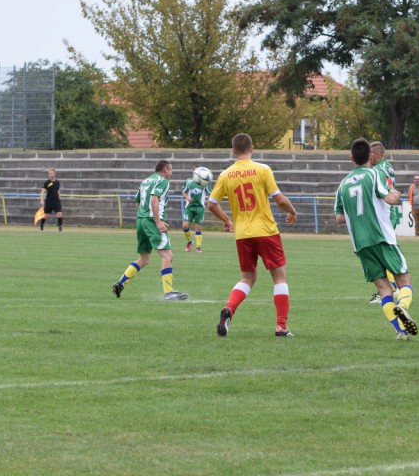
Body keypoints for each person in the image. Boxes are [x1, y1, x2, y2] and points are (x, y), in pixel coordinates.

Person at [206, 133, 299, 337]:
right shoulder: (262, 169)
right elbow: (279, 199)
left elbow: (211, 204)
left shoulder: (226, 175)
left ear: (233, 150)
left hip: (243, 234)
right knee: (279, 278)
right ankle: (281, 326)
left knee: (247, 277)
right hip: (266, 231)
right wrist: (292, 211)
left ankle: (229, 309)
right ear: (252, 148)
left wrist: (227, 220)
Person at [335, 138, 418, 340]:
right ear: (369, 158)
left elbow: (338, 218)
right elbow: (389, 198)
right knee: (404, 280)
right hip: (382, 237)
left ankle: (401, 332)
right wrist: (396, 194)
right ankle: (402, 305)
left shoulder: (342, 184)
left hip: (361, 244)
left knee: (383, 288)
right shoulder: (375, 174)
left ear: (351, 158)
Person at [112, 159, 188, 301]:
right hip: (151, 222)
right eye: (170, 170)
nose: (171, 173)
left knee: (144, 258)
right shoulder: (163, 181)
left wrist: (143, 217)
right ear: (165, 169)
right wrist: (158, 222)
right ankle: (169, 292)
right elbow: (154, 199)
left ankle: (120, 283)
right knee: (167, 256)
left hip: (141, 220)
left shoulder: (146, 180)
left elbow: (138, 201)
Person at [368, 141, 400, 303]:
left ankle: (390, 289)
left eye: (370, 154)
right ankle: (391, 287)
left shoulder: (378, 170)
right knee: (382, 251)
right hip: (389, 213)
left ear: (376, 154)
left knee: (380, 252)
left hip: (385, 214)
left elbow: (384, 192)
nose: (368, 158)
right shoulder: (387, 166)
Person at [181, 169, 211, 252]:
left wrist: (210, 198)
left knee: (198, 227)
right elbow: (183, 192)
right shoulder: (188, 181)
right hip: (189, 207)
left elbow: (210, 192)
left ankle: (198, 247)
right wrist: (187, 197)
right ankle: (190, 242)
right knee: (185, 226)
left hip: (200, 207)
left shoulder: (204, 182)